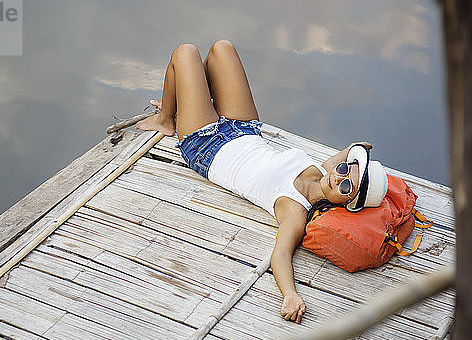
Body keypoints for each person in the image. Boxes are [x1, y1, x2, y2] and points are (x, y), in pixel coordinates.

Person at [136, 40, 388, 324]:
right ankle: (190, 94)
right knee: (222, 48)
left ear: (346, 203)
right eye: (345, 169)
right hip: (243, 127)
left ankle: (167, 119)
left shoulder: (295, 211)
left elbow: (281, 255)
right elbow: (343, 159)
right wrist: (358, 151)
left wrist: (290, 295)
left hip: (206, 145)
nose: (338, 177)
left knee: (185, 53)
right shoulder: (325, 170)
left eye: (345, 187)